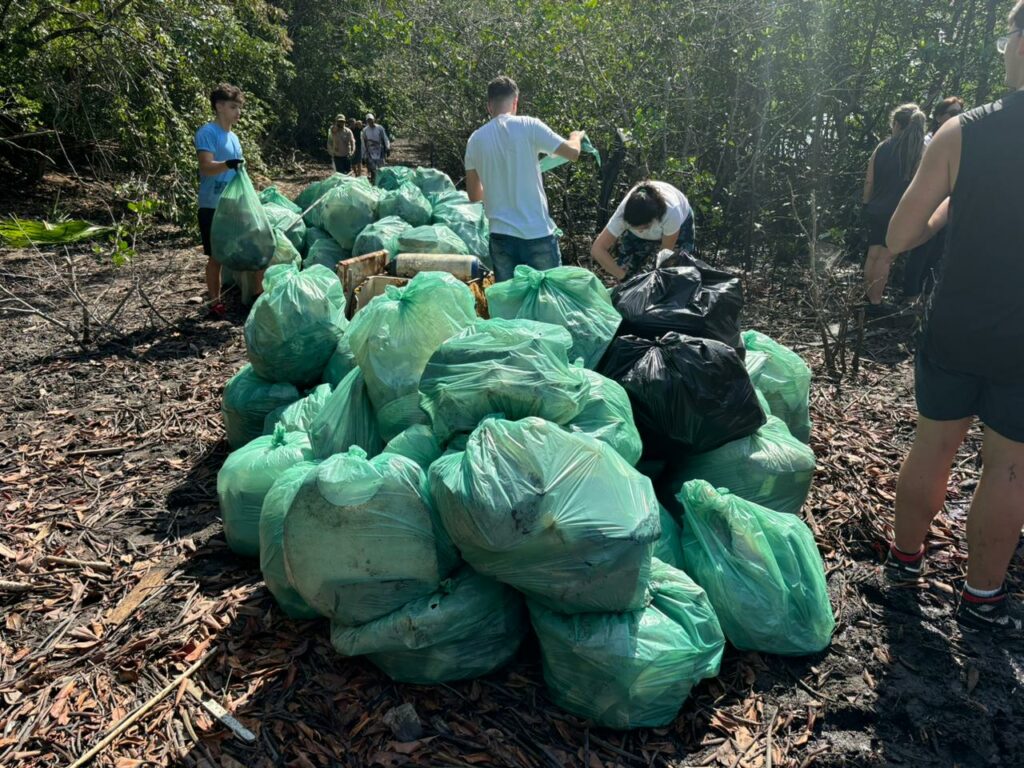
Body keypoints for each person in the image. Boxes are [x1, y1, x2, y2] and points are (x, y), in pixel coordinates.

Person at [882, 2, 1024, 634]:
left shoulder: (962, 130)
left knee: (933, 444)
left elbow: (902, 233)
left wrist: (948, 210)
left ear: (1013, 44)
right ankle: (982, 595)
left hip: (957, 322)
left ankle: (904, 562)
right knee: (1010, 466)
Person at [464, 75, 584, 281]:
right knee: (550, 299)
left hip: (500, 236)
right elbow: (572, 153)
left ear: (489, 106)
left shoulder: (475, 140)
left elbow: (474, 195)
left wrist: (497, 189)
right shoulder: (529, 125)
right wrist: (576, 137)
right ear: (515, 102)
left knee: (510, 305)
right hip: (536, 232)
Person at [861, 103, 927, 312]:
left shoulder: (882, 147)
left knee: (873, 254)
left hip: (876, 208)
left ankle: (869, 297)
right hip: (899, 212)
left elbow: (869, 181)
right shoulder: (919, 152)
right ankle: (876, 302)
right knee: (886, 258)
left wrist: (866, 204)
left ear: (897, 124)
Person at [903, 97, 964, 302]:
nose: (958, 117)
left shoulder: (959, 142)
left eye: (960, 112)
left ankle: (926, 297)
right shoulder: (927, 142)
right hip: (927, 205)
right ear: (939, 116)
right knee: (920, 251)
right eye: (952, 113)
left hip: (947, 206)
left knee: (936, 254)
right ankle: (911, 297)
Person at [195, 82, 244, 317]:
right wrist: (226, 165)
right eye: (233, 107)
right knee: (216, 256)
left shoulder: (233, 137)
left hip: (232, 204)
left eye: (239, 107)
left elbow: (239, 172)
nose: (238, 112)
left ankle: (252, 294)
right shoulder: (208, 133)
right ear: (219, 107)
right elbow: (205, 167)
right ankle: (215, 302)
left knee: (242, 248)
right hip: (212, 204)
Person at [590, 181, 695, 281]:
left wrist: (655, 280)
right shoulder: (622, 214)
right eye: (632, 227)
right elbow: (597, 249)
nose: (640, 232)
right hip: (642, 221)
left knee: (675, 269)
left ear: (654, 220)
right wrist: (624, 278)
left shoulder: (672, 214)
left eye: (643, 229)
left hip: (680, 224)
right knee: (626, 267)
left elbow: (665, 254)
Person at [361, 113, 390, 182]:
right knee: (372, 169)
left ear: (374, 120)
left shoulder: (380, 128)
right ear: (366, 121)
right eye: (368, 120)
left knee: (381, 168)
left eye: (371, 120)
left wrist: (388, 148)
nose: (370, 122)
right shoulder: (365, 130)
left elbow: (385, 138)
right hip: (370, 151)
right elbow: (363, 143)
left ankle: (382, 181)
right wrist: (363, 155)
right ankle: (374, 181)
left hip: (380, 150)